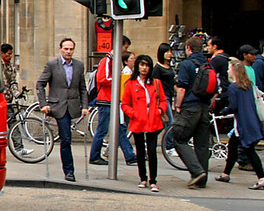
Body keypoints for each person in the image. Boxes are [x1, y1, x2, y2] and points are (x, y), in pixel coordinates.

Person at [35, 37, 90, 182]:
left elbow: (82, 88)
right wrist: (43, 104)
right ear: (60, 49)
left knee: (67, 138)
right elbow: (40, 84)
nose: (68, 52)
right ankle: (69, 171)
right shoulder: (52, 64)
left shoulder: (79, 65)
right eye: (66, 49)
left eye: (71, 49)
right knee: (66, 139)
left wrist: (85, 106)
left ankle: (69, 170)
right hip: (59, 106)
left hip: (73, 105)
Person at [216, 58, 264, 190]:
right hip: (251, 122)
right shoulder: (249, 86)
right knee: (233, 147)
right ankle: (225, 174)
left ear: (234, 70)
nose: (227, 71)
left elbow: (234, 106)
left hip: (243, 125)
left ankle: (262, 179)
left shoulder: (234, 87)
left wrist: (223, 111)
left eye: (229, 68)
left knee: (249, 151)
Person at [121, 55, 168, 192]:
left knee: (152, 151)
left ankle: (153, 180)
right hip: (138, 120)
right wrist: (133, 113)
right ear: (138, 66)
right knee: (140, 151)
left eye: (147, 65)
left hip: (153, 118)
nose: (144, 68)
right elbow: (125, 104)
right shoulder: (130, 83)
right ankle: (143, 178)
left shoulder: (156, 83)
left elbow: (164, 101)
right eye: (142, 65)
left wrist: (160, 110)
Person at [89, 35, 137, 166]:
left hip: (113, 99)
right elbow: (102, 79)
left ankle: (130, 155)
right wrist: (120, 79)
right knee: (103, 129)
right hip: (106, 99)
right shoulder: (107, 60)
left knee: (120, 128)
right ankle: (94, 156)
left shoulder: (114, 60)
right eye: (125, 47)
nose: (125, 50)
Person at [173, 35, 213, 188]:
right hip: (204, 107)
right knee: (202, 144)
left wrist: (178, 106)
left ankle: (196, 171)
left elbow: (182, 88)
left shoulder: (187, 64)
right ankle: (202, 179)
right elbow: (214, 89)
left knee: (179, 138)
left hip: (190, 107)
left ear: (188, 49)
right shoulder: (208, 65)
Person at [153, 42, 177, 154]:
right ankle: (169, 146)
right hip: (163, 97)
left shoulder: (169, 67)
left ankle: (149, 138)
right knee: (170, 122)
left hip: (170, 95)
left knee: (163, 123)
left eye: (170, 51)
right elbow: (155, 84)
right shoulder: (157, 68)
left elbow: (173, 83)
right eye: (167, 51)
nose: (169, 54)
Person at [207, 36, 231, 110]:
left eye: (208, 45)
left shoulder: (216, 60)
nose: (207, 48)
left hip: (220, 92)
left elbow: (209, 76)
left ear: (215, 46)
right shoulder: (226, 57)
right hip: (227, 91)